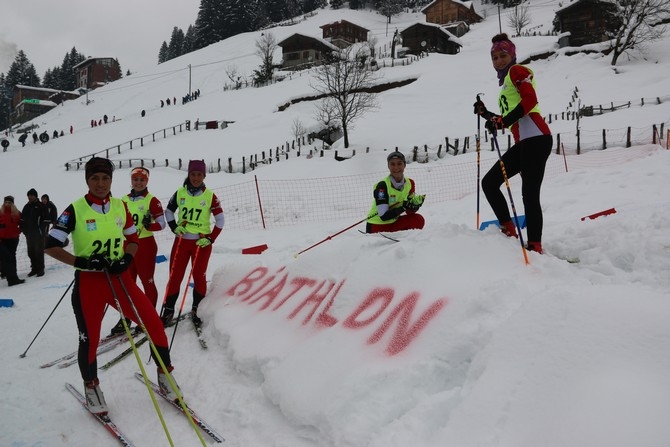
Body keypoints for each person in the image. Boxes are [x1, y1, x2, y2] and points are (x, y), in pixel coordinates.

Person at [44, 157, 183, 415]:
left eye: (105, 178)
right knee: (90, 339)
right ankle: (91, 385)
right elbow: (51, 244)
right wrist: (81, 261)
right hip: (89, 284)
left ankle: (165, 374)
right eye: (94, 178)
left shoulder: (120, 206)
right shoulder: (75, 209)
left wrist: (127, 258)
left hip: (119, 280)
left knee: (153, 324)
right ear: (87, 180)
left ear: (111, 180)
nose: (100, 183)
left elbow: (132, 239)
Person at [474, 33, 553, 254]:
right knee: (489, 183)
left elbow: (530, 101)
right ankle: (509, 230)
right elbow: (509, 119)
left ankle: (535, 246)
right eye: (494, 57)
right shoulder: (507, 81)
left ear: (512, 55)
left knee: (529, 194)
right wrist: (486, 114)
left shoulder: (518, 71)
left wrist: (503, 119)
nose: (498, 60)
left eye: (503, 55)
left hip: (536, 139)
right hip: (525, 141)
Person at [161, 160, 224, 328]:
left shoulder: (210, 195)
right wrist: (174, 227)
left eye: (199, 175)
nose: (196, 178)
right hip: (181, 242)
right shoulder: (180, 193)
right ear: (188, 175)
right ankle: (168, 310)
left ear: (204, 176)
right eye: (193, 174)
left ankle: (197, 309)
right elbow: (168, 212)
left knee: (199, 276)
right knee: (175, 276)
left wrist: (211, 238)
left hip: (201, 243)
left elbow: (220, 220)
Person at [109, 167, 166, 335]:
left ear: (146, 181)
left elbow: (162, 224)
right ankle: (126, 318)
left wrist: (150, 224)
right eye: (136, 179)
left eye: (142, 180)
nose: (138, 182)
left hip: (145, 245)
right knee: (127, 284)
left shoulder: (152, 200)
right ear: (131, 181)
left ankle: (148, 318)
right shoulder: (123, 200)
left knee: (147, 281)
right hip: (127, 245)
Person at [366, 151, 425, 234]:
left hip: (393, 222)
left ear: (404, 165)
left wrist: (414, 206)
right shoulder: (382, 186)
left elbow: (409, 212)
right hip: (377, 225)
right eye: (392, 164)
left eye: (399, 163)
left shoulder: (410, 183)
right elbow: (383, 216)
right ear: (388, 166)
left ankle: (403, 237)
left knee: (418, 219)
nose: (396, 167)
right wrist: (403, 207)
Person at [0, 196, 25, 286]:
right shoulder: (0, 213)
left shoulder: (17, 213)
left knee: (12, 258)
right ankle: (10, 278)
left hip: (13, 239)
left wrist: (18, 231)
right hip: (2, 240)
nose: (7, 204)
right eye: (6, 202)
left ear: (12, 203)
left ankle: (14, 278)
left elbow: (22, 223)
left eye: (9, 202)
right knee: (7, 258)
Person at [20, 188, 46, 277]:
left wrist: (41, 230)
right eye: (29, 195)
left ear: (35, 196)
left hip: (38, 234)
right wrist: (24, 230)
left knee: (39, 252)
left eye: (32, 195)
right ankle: (34, 269)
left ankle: (40, 269)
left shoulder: (40, 206)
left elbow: (46, 219)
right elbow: (22, 220)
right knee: (30, 252)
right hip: (29, 234)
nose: (30, 197)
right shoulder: (26, 207)